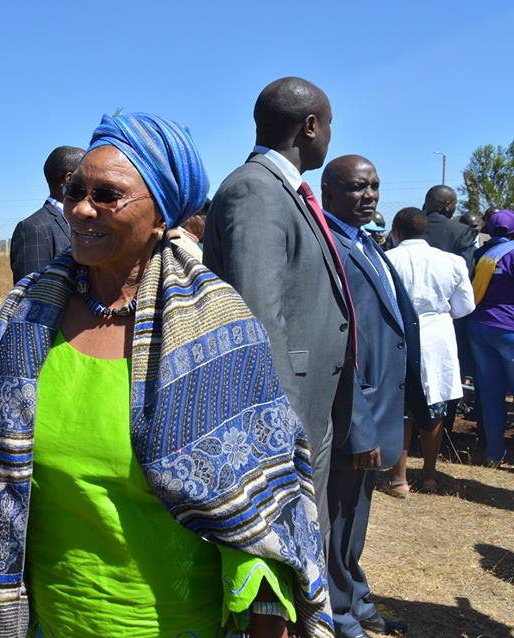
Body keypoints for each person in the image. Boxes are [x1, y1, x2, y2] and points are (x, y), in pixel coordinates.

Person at [0, 113, 333, 638]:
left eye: (108, 195)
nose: (82, 209)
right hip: (47, 618)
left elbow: (255, 502)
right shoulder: (27, 313)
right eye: (75, 191)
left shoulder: (215, 327)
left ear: (161, 215)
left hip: (173, 622)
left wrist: (267, 614)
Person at [203, 77, 355, 538]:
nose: (330, 135)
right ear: (310, 127)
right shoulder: (257, 191)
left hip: (310, 402)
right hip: (285, 411)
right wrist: (278, 424)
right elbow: (258, 314)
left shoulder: (286, 190)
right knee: (287, 536)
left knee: (310, 532)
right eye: (329, 125)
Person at [321, 156, 426, 638]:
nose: (370, 197)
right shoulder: (332, 245)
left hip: (382, 402)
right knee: (340, 517)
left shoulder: (367, 242)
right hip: (353, 411)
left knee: (357, 517)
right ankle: (339, 614)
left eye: (376, 188)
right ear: (329, 190)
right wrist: (359, 419)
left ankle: (358, 601)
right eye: (359, 188)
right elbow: (341, 342)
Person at [383, 207, 475, 496]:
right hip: (437, 337)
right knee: (434, 407)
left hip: (399, 336)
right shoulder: (453, 262)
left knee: (400, 408)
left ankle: (398, 479)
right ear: (425, 231)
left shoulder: (386, 259)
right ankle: (430, 476)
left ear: (396, 232)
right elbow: (464, 308)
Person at [467, 209, 514, 467]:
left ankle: (493, 453)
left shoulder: (481, 254)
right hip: (509, 328)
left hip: (479, 327)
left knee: (491, 393)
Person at [9, 145, 85, 283]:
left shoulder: (85, 223)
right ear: (69, 179)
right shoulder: (33, 229)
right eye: (87, 174)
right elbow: (30, 297)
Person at [421, 185, 477, 274]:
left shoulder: (406, 228)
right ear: (447, 205)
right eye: (454, 204)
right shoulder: (461, 231)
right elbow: (466, 269)